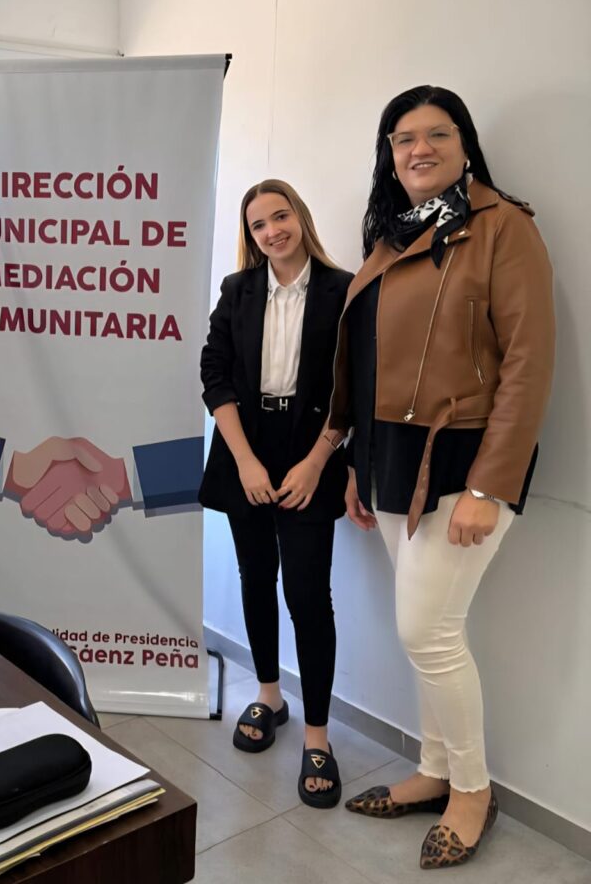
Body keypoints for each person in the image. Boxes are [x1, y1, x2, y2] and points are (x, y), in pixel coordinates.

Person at [332, 86, 554, 869]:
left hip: (464, 460)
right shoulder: (390, 235)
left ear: (464, 145)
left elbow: (527, 364)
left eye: (435, 134)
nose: (417, 149)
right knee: (429, 633)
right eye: (402, 139)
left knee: (426, 631)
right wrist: (358, 467)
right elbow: (367, 362)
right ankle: (433, 769)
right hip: (391, 458)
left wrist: (490, 488)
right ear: (388, 155)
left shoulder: (505, 228)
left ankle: (473, 790)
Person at [200, 180, 352, 809]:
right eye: (258, 224)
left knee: (308, 595)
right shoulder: (237, 291)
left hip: (312, 444)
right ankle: (268, 696)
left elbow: (357, 386)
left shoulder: (346, 290)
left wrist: (320, 461)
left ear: (300, 217)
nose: (271, 232)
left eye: (280, 216)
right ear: (250, 235)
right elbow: (214, 374)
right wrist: (245, 462)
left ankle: (318, 736)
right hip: (247, 444)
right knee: (256, 579)